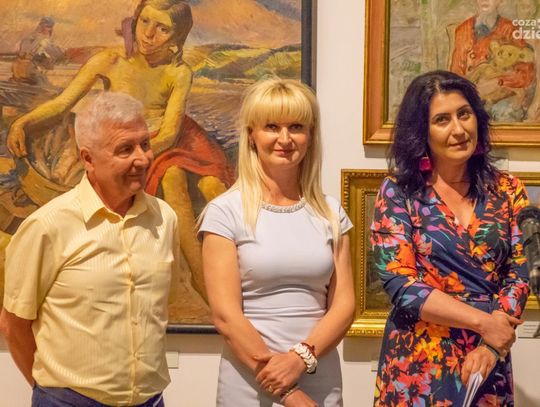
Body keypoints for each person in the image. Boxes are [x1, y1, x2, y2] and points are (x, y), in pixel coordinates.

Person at [4, 0, 232, 316]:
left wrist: (134, 152)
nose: (149, 34)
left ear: (177, 37)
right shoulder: (109, 61)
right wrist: (22, 122)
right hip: (129, 143)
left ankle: (224, 280)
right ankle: (199, 275)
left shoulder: (178, 72)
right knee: (173, 179)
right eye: (145, 22)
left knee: (211, 187)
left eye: (162, 28)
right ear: (135, 21)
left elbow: (169, 133)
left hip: (176, 141)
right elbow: (62, 103)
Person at [0, 92, 190, 406]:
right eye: (125, 149)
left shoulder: (164, 218)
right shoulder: (47, 226)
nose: (143, 159)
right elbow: (14, 324)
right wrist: (49, 391)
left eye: (145, 144)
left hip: (149, 399)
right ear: (88, 159)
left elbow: (157, 308)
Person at [371, 70, 530, 406]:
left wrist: (491, 345)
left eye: (464, 114)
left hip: (487, 360)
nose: (458, 129)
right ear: (421, 131)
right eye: (442, 120)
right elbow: (400, 283)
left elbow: (520, 274)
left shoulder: (508, 189)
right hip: (417, 360)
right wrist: (484, 324)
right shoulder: (399, 192)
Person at [198, 78, 355, 406]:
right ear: (252, 134)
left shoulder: (331, 212)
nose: (285, 139)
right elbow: (226, 317)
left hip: (319, 378)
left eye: (296, 127)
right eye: (272, 127)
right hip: (251, 384)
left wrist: (300, 359)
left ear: (310, 135)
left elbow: (344, 307)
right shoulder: (224, 212)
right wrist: (288, 391)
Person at [449, 0, 535, 122]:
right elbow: (455, 73)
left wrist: (498, 82)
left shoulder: (511, 29)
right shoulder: (462, 30)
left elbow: (525, 74)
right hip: (470, 95)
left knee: (503, 114)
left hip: (502, 98)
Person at [11, 16, 64, 86]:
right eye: (47, 27)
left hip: (25, 68)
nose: (49, 29)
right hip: (25, 68)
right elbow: (25, 54)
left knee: (43, 80)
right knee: (41, 82)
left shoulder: (40, 39)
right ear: (41, 26)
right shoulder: (36, 39)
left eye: (50, 27)